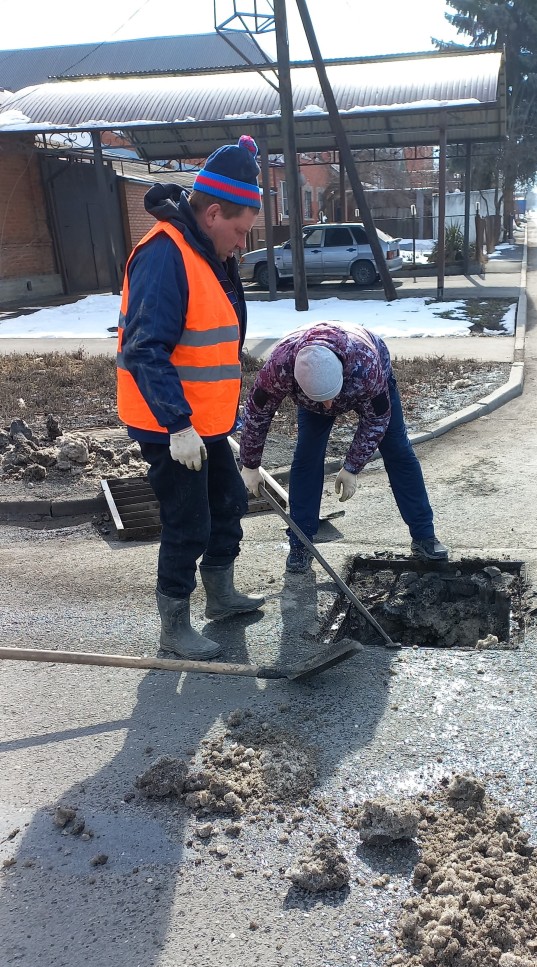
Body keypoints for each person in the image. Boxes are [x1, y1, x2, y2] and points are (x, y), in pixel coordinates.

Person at [117, 135, 265, 659]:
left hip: (204, 420)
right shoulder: (165, 255)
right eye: (241, 232)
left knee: (228, 501)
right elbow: (144, 347)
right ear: (214, 212)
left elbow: (214, 346)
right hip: (168, 423)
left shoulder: (207, 251)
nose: (243, 244)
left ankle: (220, 595)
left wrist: (231, 419)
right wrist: (178, 424)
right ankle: (174, 625)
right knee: (188, 521)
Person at [238, 321, 448, 572]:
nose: (329, 407)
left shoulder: (366, 367)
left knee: (399, 452)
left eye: (331, 396)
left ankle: (424, 536)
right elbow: (257, 413)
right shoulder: (279, 367)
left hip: (365, 375)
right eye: (321, 399)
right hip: (309, 398)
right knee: (306, 458)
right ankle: (301, 543)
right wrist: (250, 464)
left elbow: (376, 420)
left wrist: (352, 467)